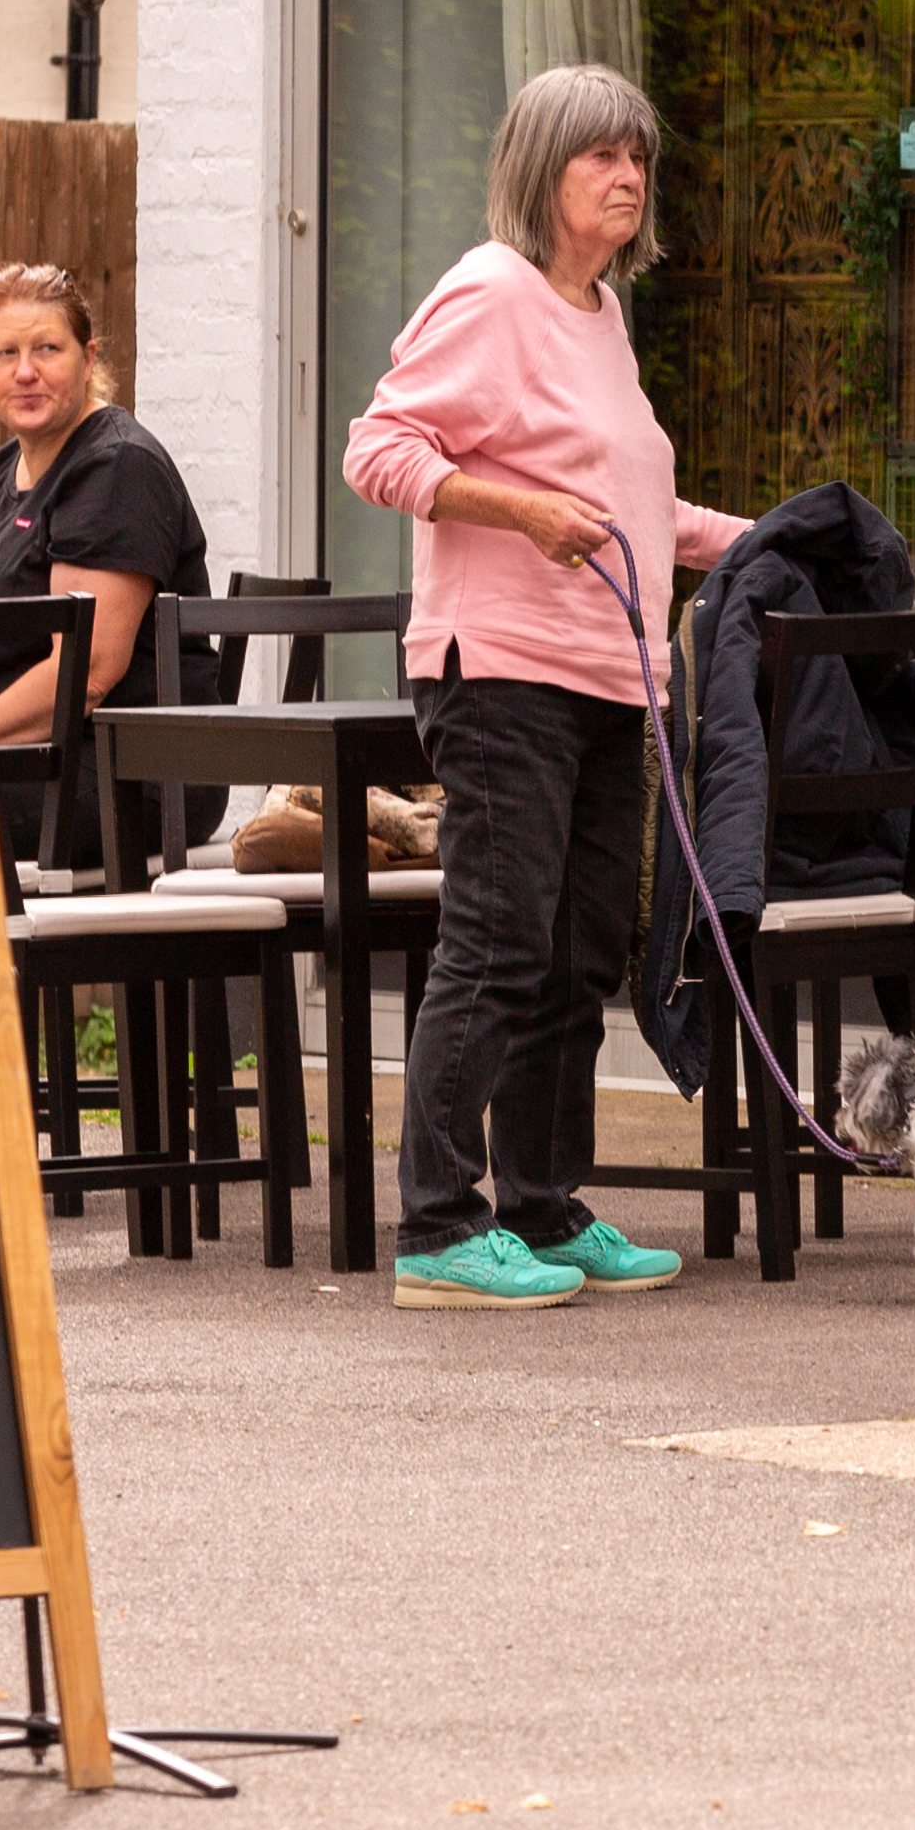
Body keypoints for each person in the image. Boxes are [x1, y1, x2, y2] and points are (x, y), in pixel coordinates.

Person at [340, 64, 746, 1315]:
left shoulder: (602, 314)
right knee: (499, 943)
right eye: (600, 157)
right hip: (503, 672)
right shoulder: (490, 290)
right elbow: (379, 449)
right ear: (540, 172)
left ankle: (543, 1206)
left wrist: (764, 541)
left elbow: (633, 509)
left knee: (578, 953)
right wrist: (516, 509)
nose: (628, 178)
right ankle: (437, 1227)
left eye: (638, 158)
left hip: (610, 680)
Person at [0, 263, 211, 750]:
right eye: (5, 353)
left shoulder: (118, 468)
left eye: (47, 349)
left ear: (87, 360)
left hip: (111, 771)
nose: (25, 372)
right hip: (5, 759)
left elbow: (88, 673)